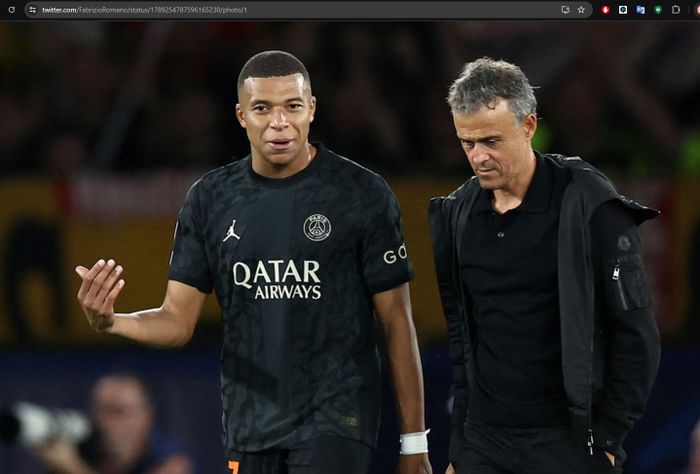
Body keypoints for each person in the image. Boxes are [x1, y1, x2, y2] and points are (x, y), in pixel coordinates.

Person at [74, 50, 432, 474]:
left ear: (312, 110)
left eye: (293, 107)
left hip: (337, 419)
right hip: (249, 427)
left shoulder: (361, 193)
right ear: (242, 115)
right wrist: (113, 321)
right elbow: (176, 320)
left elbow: (397, 321)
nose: (279, 122)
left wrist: (414, 443)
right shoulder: (209, 199)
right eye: (263, 108)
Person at [428, 57, 661, 474]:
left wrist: (608, 437)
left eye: (491, 141)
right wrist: (461, 445)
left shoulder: (590, 204)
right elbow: (465, 341)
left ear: (529, 126)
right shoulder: (458, 214)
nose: (478, 157)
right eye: (467, 143)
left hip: (567, 440)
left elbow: (636, 333)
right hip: (484, 440)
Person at [33, 374, 192, 474]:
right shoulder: (85, 450)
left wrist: (73, 468)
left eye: (118, 411)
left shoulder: (170, 462)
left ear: (146, 418)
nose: (104, 422)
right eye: (99, 411)